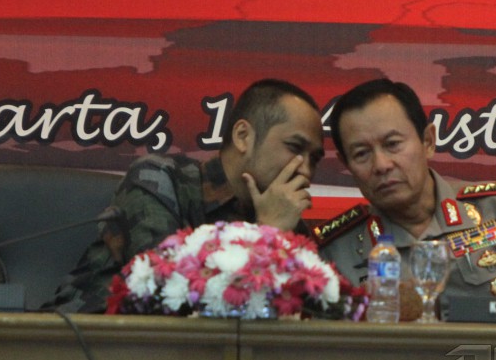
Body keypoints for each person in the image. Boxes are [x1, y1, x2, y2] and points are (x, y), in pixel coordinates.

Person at [49, 79, 325, 313]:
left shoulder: (288, 222)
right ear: (243, 136)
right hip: (81, 343)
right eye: (294, 147)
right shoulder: (160, 178)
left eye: (314, 159)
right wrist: (268, 235)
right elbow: (167, 295)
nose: (306, 170)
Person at [316, 78, 496, 302]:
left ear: (428, 142)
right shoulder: (335, 252)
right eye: (361, 154)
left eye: (393, 144)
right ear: (346, 164)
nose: (381, 165)